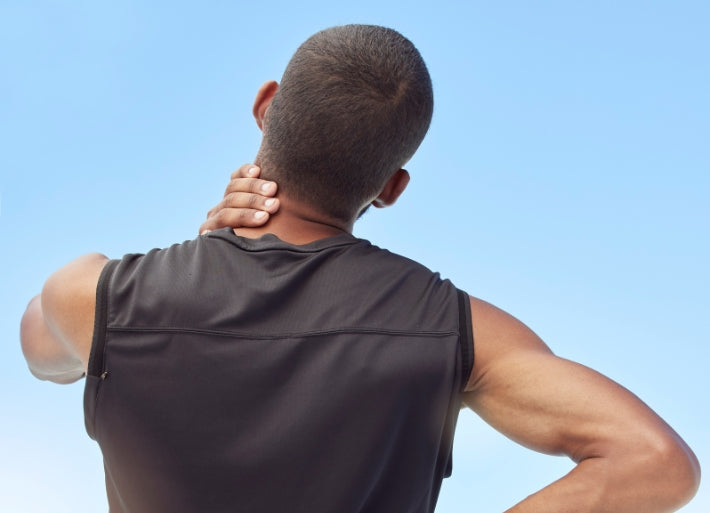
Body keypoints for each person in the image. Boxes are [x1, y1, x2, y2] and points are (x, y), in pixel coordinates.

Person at [20, 24, 699, 513]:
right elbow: (658, 462)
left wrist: (198, 248)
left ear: (265, 106)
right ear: (392, 187)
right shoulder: (454, 328)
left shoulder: (95, 294)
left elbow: (41, 351)